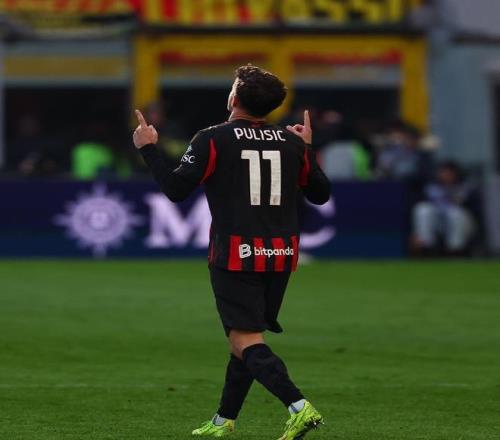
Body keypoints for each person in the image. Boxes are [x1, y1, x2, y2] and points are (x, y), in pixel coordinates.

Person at [133, 65, 330, 439]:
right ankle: (223, 420)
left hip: (236, 254)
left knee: (246, 340)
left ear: (235, 98)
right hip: (280, 256)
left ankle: (298, 406)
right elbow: (320, 194)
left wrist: (148, 148)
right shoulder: (290, 142)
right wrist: (306, 146)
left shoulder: (213, 138)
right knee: (244, 338)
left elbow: (176, 189)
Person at [412, 160, 476, 255]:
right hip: (440, 223)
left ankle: (456, 251)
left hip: (463, 224)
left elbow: (473, 211)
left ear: (456, 174)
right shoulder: (431, 187)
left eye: (449, 173)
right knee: (423, 209)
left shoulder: (465, 187)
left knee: (455, 213)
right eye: (443, 173)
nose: (446, 175)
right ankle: (426, 247)